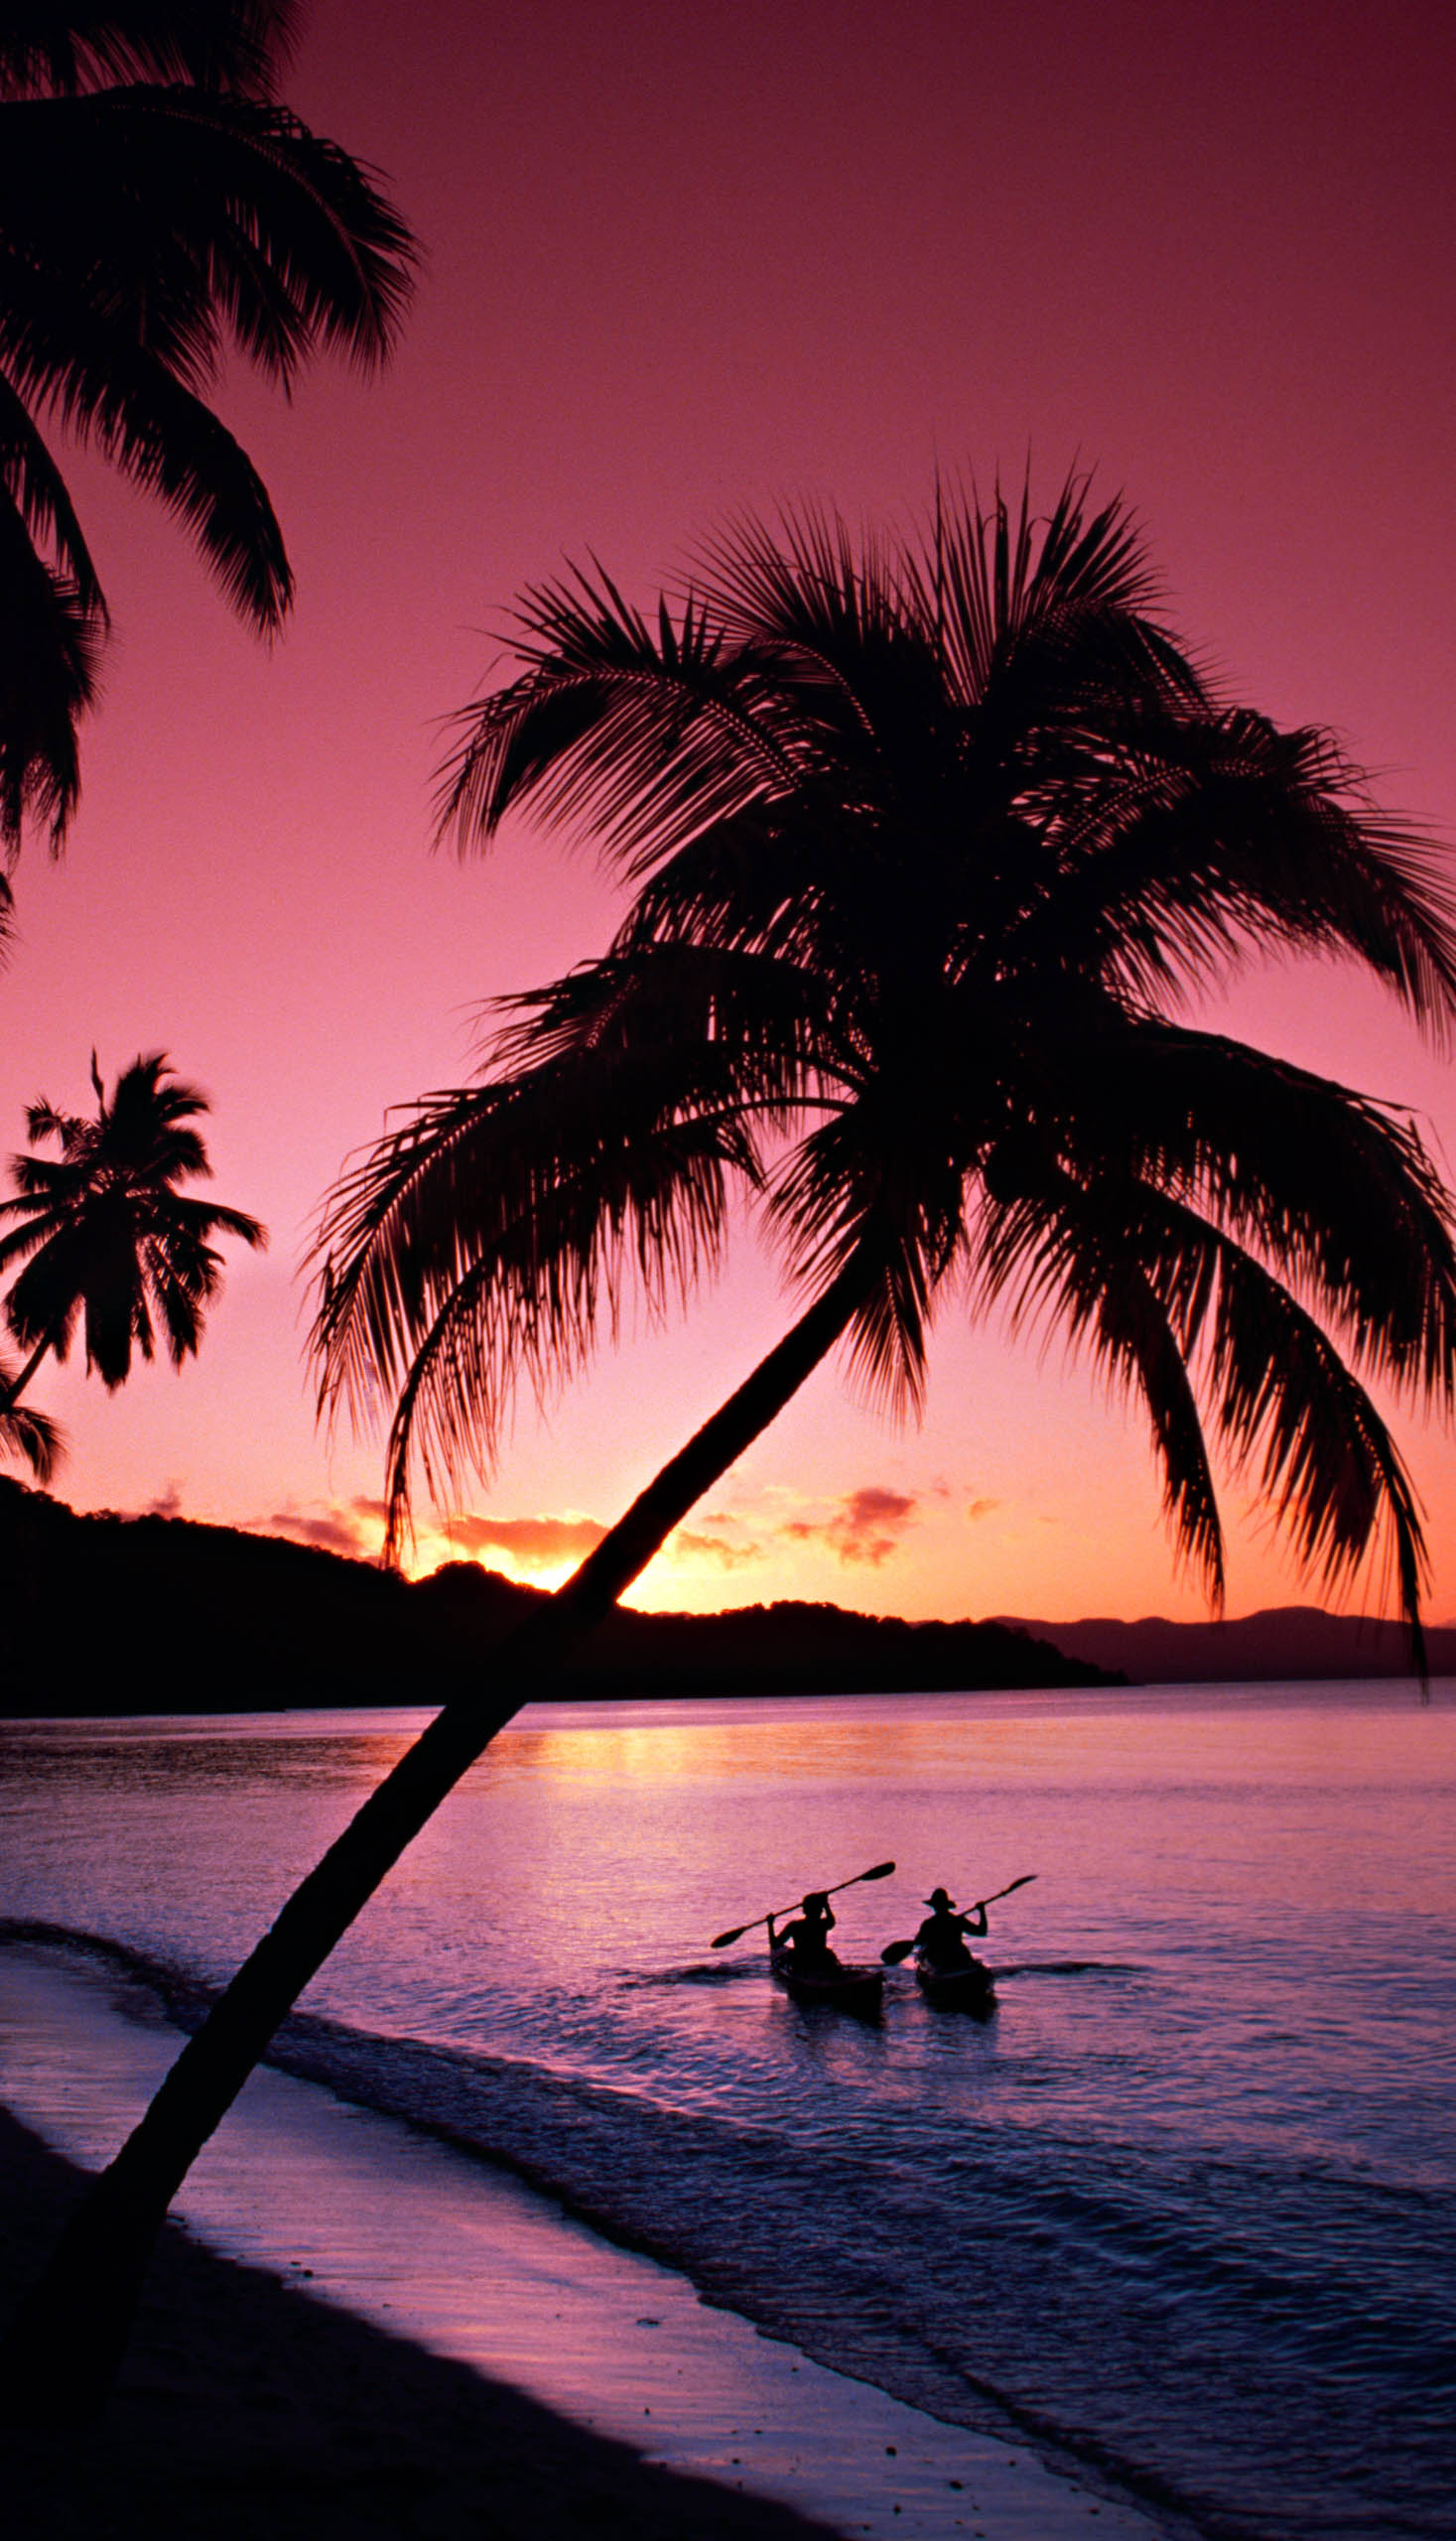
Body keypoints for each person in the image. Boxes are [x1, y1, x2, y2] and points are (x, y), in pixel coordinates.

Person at [913, 1887, 988, 1974]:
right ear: (947, 1906)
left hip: (941, 1958)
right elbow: (982, 1932)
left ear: (934, 1907)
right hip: (958, 1956)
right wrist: (982, 1911)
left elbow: (918, 1942)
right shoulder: (958, 1920)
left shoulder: (929, 1924)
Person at [768, 1892, 842, 1974]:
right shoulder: (822, 1924)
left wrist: (770, 1924)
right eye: (820, 1909)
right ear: (820, 1910)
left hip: (802, 1961)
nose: (821, 1911)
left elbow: (774, 1944)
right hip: (819, 1960)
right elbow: (831, 1921)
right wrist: (826, 1905)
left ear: (804, 1910)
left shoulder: (795, 1925)